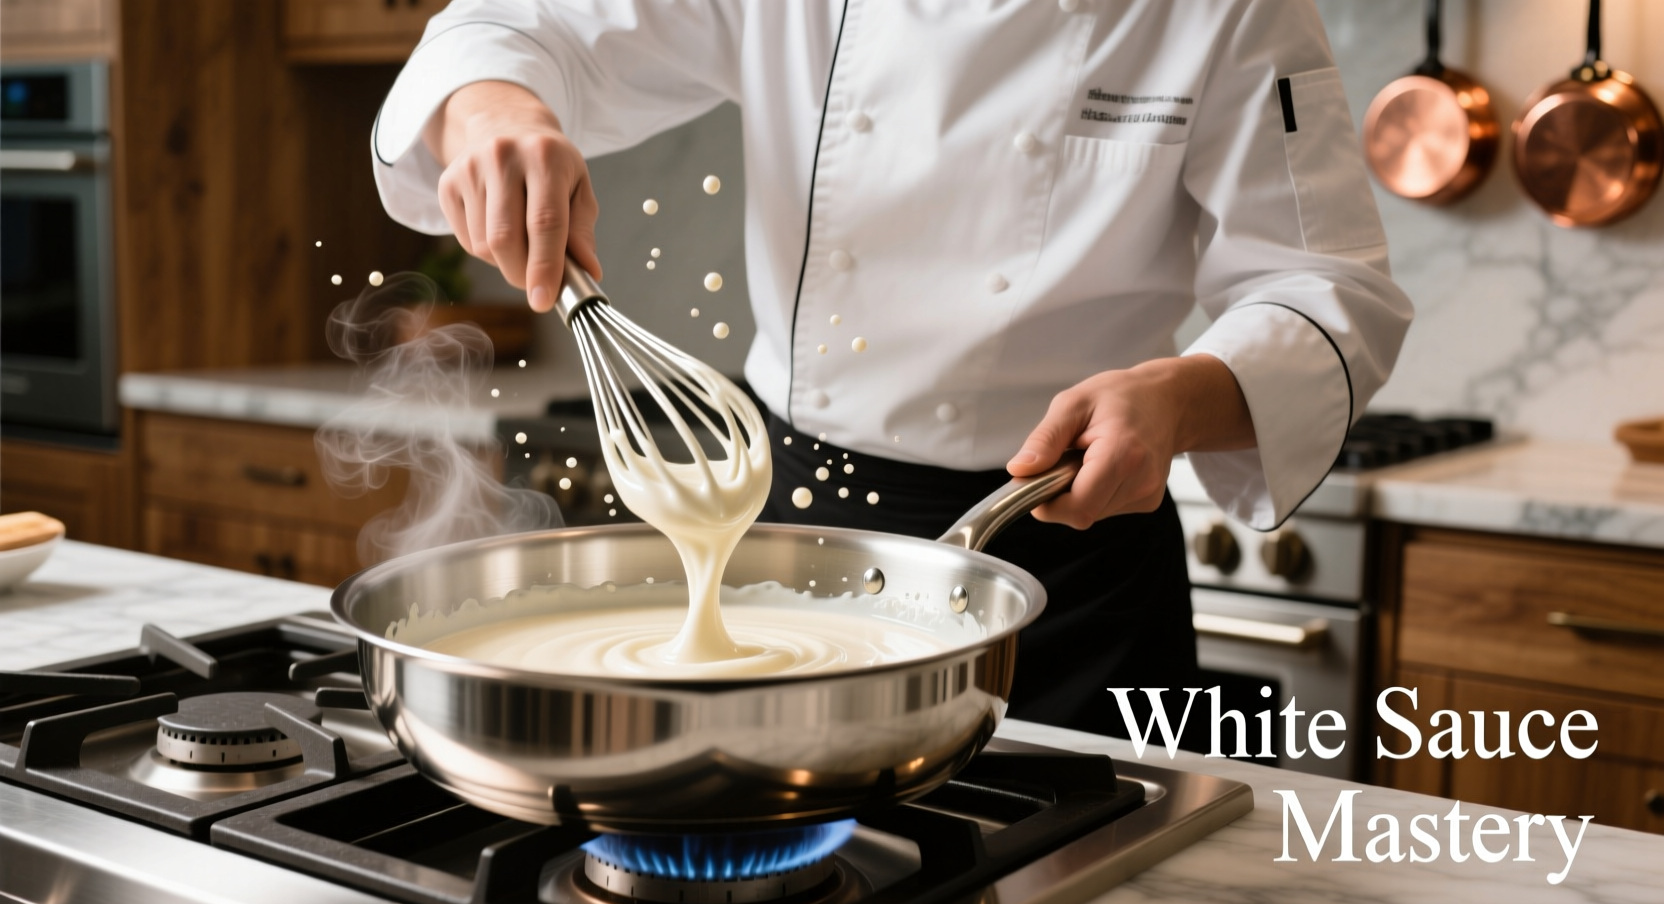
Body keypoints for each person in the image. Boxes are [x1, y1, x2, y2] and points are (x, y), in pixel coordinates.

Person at [370, 0, 1412, 738]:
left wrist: (1179, 398)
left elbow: (1329, 289)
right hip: (790, 536)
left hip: (1069, 554)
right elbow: (516, 27)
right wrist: (496, 113)